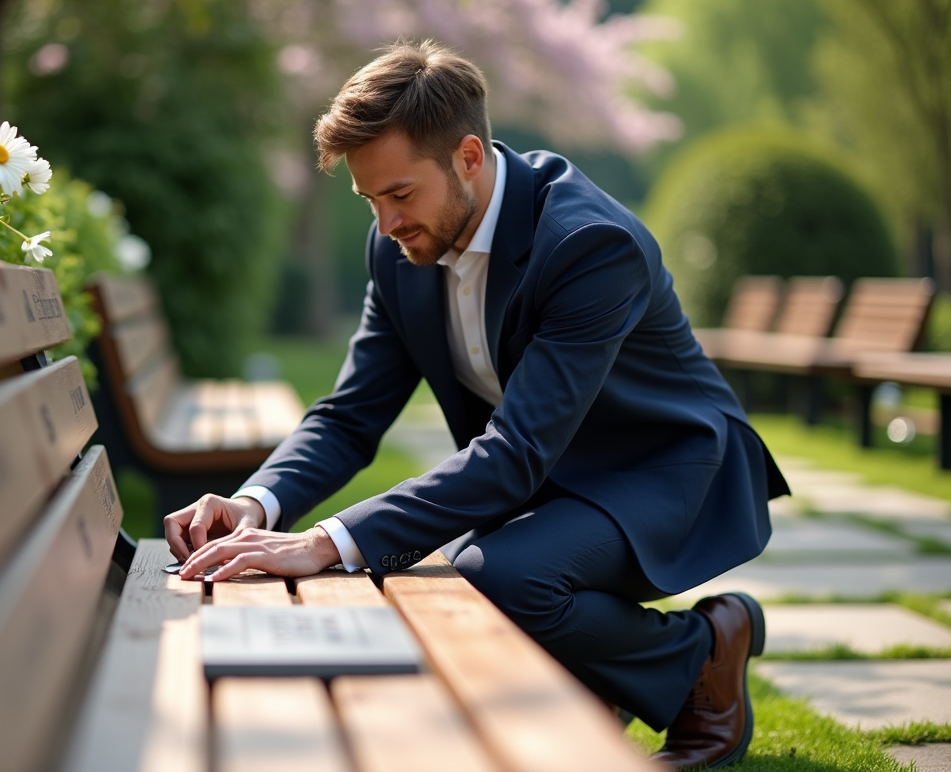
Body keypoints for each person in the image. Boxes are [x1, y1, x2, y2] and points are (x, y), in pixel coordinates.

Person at [167, 39, 789, 770]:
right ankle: (596, 682)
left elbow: (516, 453)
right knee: (458, 571)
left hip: (667, 468)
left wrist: (326, 541)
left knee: (494, 576)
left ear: (468, 156)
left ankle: (702, 656)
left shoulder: (590, 244)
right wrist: (259, 503)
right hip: (556, 474)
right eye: (371, 201)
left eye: (400, 195)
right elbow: (350, 413)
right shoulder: (398, 249)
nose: (387, 223)